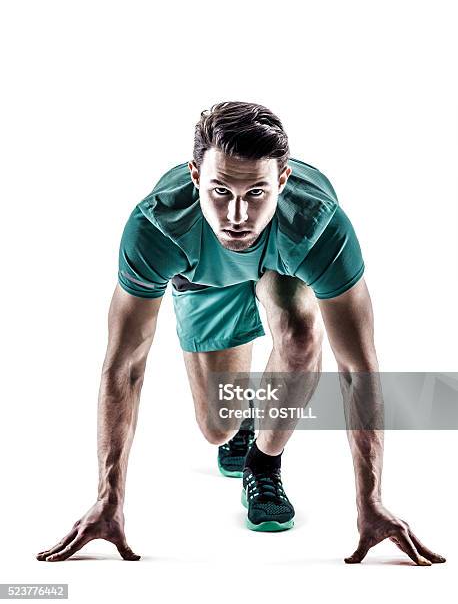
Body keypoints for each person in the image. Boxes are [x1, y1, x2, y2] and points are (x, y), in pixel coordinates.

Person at [36, 101, 445, 564]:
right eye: (219, 190)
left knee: (300, 330)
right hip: (204, 275)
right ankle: (243, 422)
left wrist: (369, 500)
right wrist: (110, 497)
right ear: (195, 177)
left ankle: (264, 462)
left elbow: (357, 369)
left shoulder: (320, 225)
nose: (236, 215)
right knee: (218, 425)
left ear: (282, 181)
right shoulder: (156, 227)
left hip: (284, 262)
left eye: (256, 193)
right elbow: (124, 365)